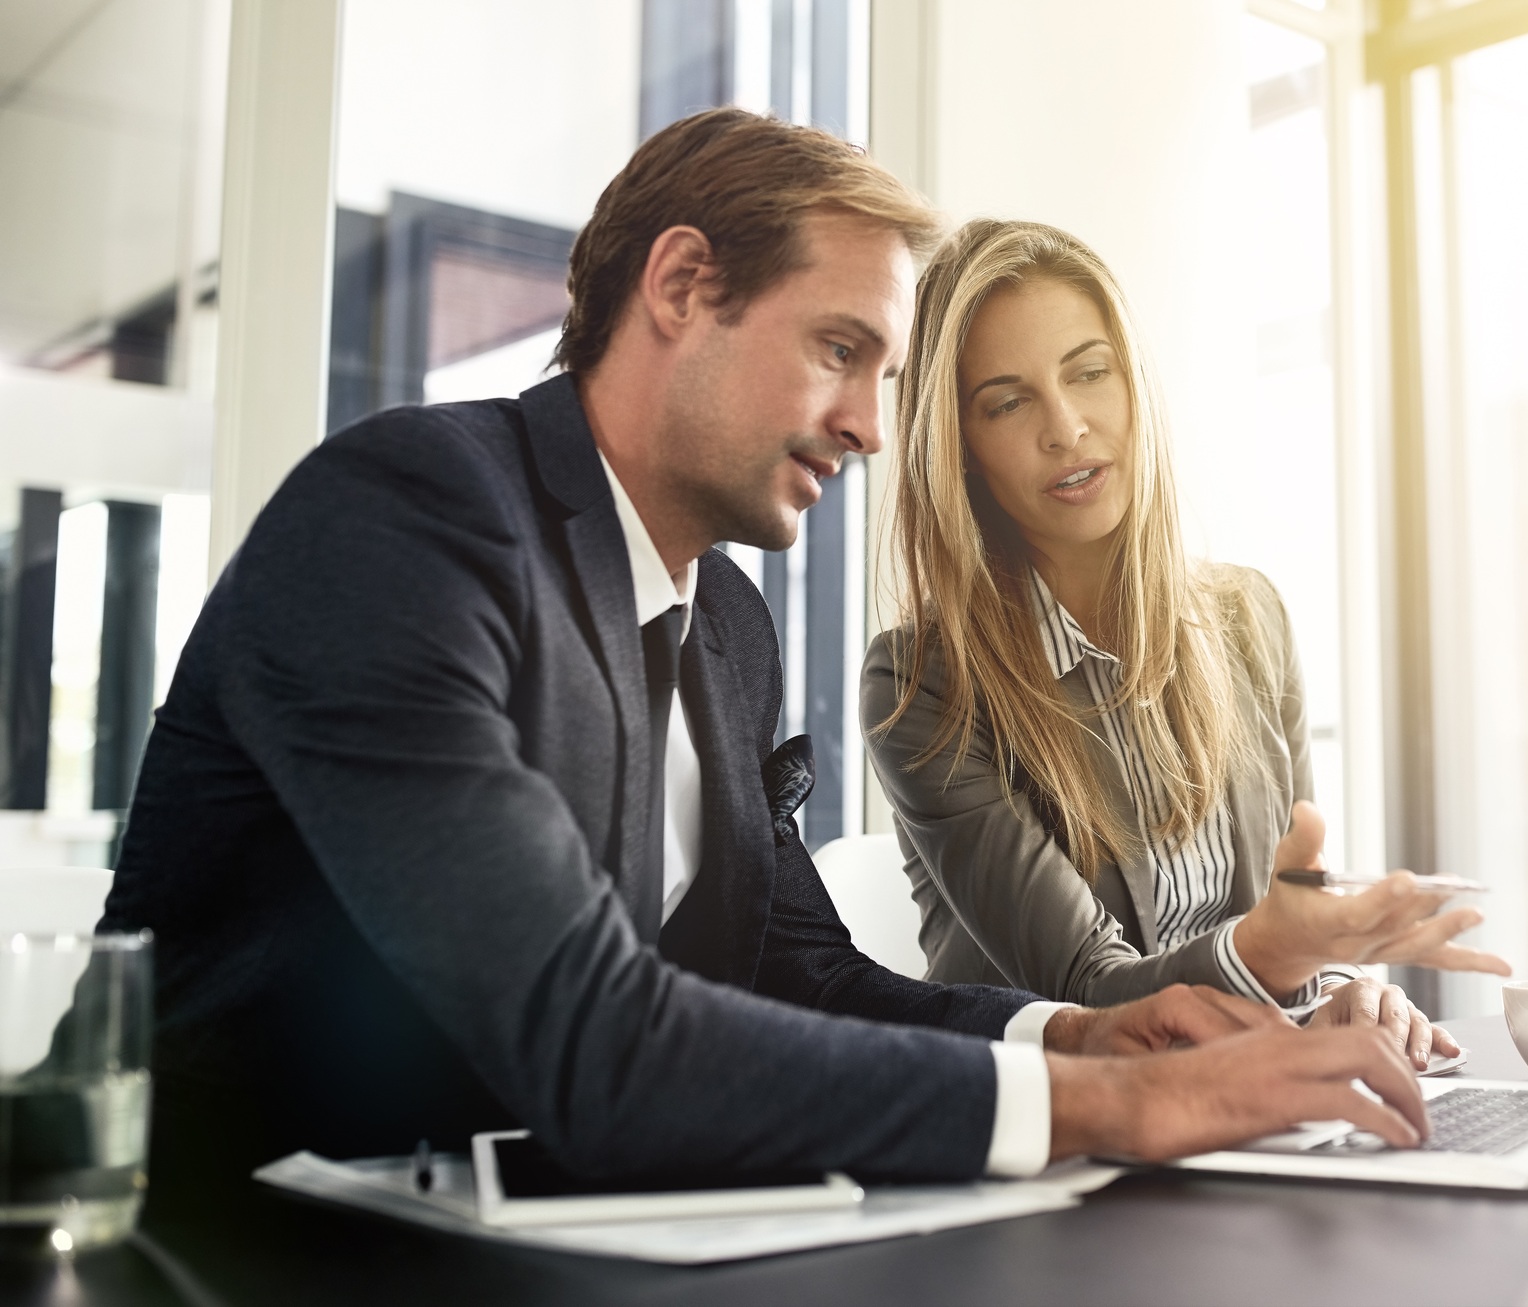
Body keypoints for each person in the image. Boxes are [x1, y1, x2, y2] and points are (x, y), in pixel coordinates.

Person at [101, 111, 1434, 1205]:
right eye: (839, 351)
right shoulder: (409, 516)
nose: (866, 426)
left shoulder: (726, 629)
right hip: (220, 1237)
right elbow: (587, 1026)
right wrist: (1108, 1102)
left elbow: (807, 969)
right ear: (681, 288)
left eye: (887, 374)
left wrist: (1076, 1033)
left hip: (536, 1230)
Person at [862, 220, 1510, 1070]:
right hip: (1074, 1136)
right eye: (1008, 401)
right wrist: (1276, 953)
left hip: (1252, 1106)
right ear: (963, 449)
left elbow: (1294, 907)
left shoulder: (1250, 618)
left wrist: (1347, 986)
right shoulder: (922, 682)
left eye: (1089, 372)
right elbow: (1090, 997)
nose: (1066, 428)